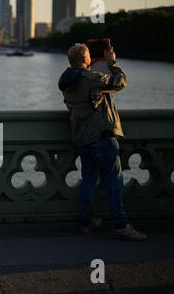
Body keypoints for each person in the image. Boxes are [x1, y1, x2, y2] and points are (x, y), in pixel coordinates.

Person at [58, 44, 147, 242]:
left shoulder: (66, 81)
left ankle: (86, 222)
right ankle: (121, 225)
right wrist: (111, 61)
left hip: (81, 137)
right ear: (84, 59)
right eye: (89, 54)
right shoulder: (92, 79)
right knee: (114, 180)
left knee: (88, 179)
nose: (91, 57)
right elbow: (120, 81)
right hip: (101, 135)